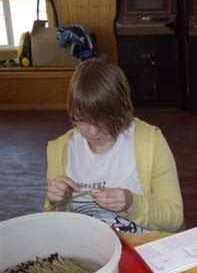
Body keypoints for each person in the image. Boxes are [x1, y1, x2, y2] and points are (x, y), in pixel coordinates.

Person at [44, 58, 183, 233]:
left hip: (142, 250)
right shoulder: (60, 150)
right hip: (88, 252)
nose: (93, 132)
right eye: (82, 120)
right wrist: (57, 201)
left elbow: (174, 219)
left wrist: (132, 203)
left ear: (121, 110)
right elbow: (53, 223)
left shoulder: (150, 142)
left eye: (102, 120)